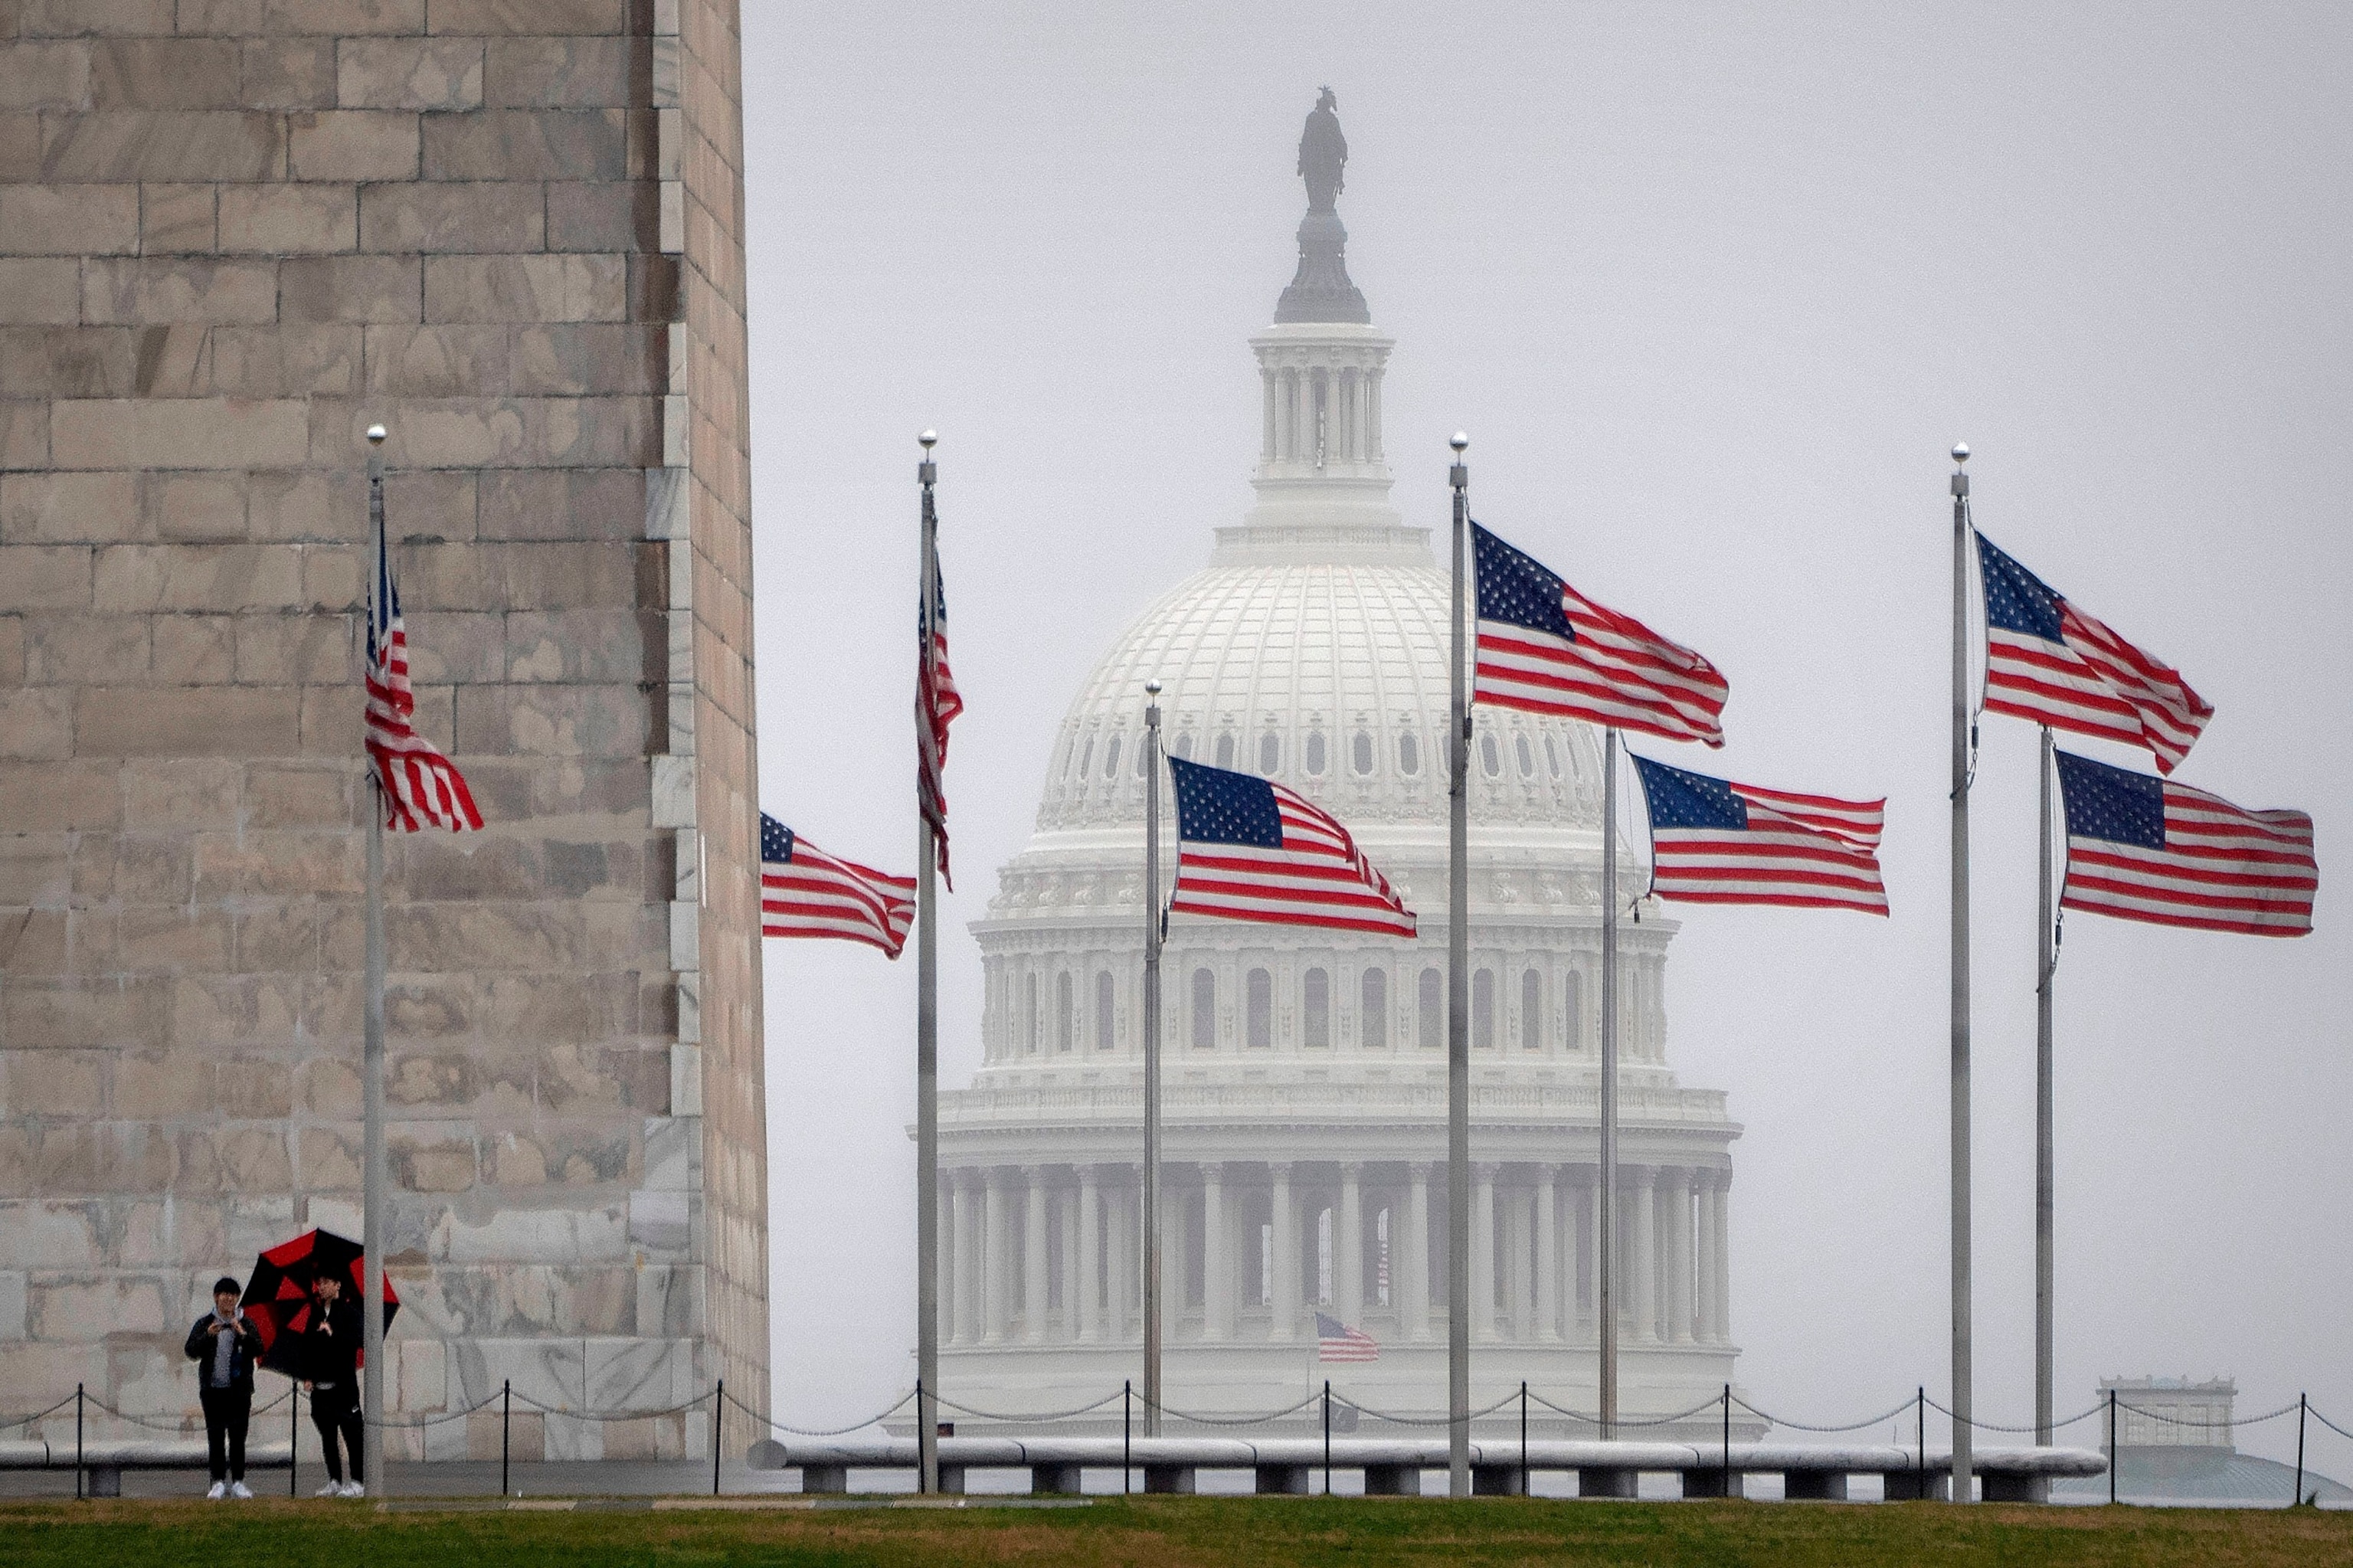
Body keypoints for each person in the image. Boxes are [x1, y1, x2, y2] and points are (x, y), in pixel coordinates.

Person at [183, 1277, 263, 1500]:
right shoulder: (206, 1323)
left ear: (237, 1298)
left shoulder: (245, 1323)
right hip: (213, 1391)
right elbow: (190, 1351)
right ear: (216, 1297)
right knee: (215, 1438)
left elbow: (258, 1348)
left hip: (239, 1391)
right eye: (224, 1295)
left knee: (238, 1438)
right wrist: (208, 1336)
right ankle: (217, 1482)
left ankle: (238, 1482)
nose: (228, 1299)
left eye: (233, 1295)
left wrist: (242, 1333)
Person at [298, 1272, 365, 1498]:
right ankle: (334, 1480)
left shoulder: (349, 1313)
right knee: (328, 1438)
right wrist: (307, 1376)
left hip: (343, 1388)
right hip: (321, 1390)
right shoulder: (315, 1314)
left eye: (326, 1282)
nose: (321, 1287)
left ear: (338, 1285)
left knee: (352, 1436)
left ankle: (357, 1481)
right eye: (319, 1283)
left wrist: (333, 1333)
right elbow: (307, 1348)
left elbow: (356, 1342)